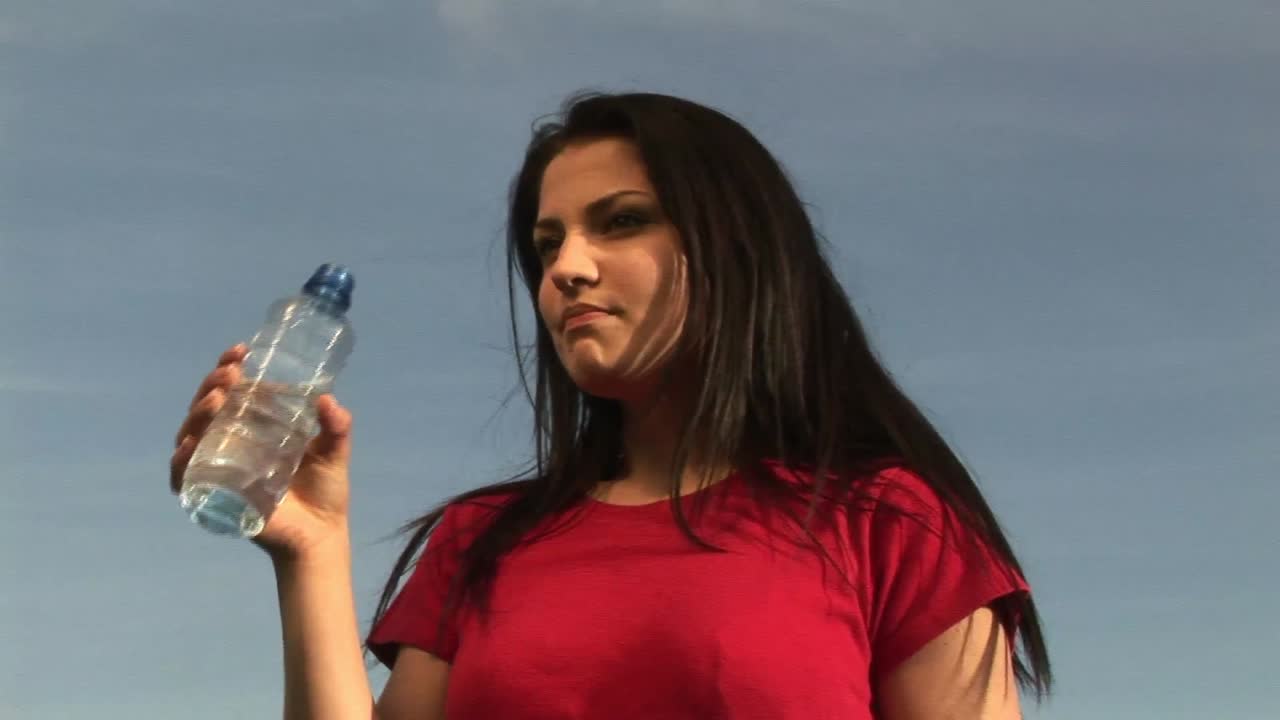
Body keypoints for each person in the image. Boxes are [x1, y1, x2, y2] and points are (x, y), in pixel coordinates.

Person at [170, 91, 1051, 720]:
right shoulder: (482, 540)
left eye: (621, 221)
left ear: (736, 248)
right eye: (547, 243)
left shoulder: (891, 525)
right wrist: (312, 551)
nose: (567, 268)